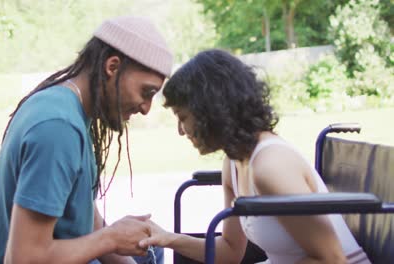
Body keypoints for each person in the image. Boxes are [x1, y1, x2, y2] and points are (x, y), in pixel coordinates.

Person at [139, 49, 370, 264]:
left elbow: (334, 260)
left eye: (182, 117)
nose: (181, 131)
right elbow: (230, 251)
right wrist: (168, 239)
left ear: (209, 111)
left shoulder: (271, 165)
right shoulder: (233, 162)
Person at [0, 16, 173, 264]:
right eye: (146, 92)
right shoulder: (57, 128)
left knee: (150, 251)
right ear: (112, 67)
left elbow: (85, 218)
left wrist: (116, 240)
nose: (146, 109)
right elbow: (24, 259)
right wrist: (111, 238)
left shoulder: (69, 109)